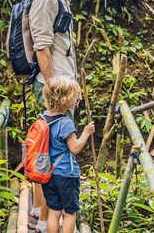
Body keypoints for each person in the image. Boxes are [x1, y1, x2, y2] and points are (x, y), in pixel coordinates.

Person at [28, 0, 86, 232]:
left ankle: (44, 213)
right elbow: (42, 46)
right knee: (49, 153)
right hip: (54, 86)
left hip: (64, 84)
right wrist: (54, 89)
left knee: (54, 151)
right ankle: (42, 216)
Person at [39, 77, 94, 233]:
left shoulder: (43, 118)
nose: (78, 98)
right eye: (75, 95)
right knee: (70, 212)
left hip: (49, 174)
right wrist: (86, 132)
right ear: (63, 99)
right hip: (66, 174)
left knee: (54, 211)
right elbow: (75, 148)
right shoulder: (65, 122)